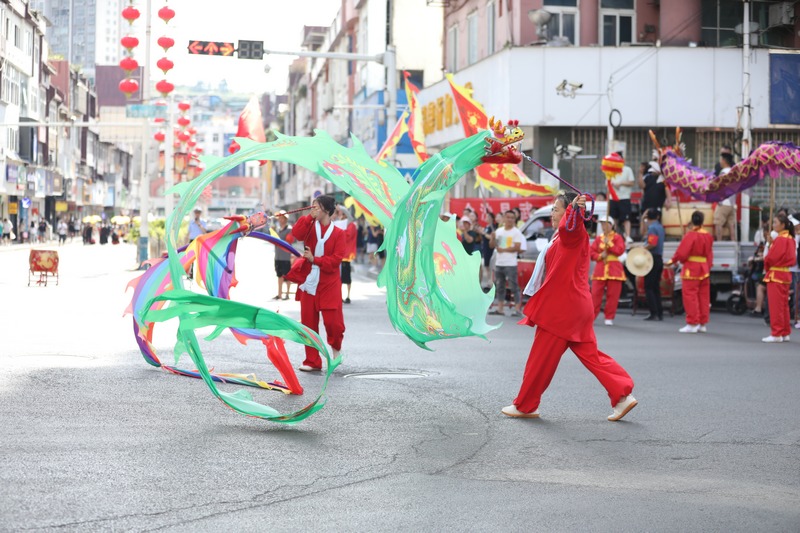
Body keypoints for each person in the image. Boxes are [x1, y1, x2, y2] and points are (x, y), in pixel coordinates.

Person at [503, 191, 637, 421]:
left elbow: (570, 228)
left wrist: (575, 210)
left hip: (561, 310)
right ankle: (622, 396)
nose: (552, 213)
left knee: (540, 360)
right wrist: (573, 211)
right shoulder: (563, 236)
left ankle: (526, 405)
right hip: (575, 306)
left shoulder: (572, 233)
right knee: (592, 356)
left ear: (568, 213)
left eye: (556, 209)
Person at [291, 194, 346, 370]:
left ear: (327, 210)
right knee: (308, 322)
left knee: (333, 322)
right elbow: (296, 234)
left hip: (329, 281)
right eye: (312, 205)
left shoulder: (339, 233)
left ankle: (336, 348)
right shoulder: (309, 226)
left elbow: (336, 260)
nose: (313, 208)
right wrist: (308, 217)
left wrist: (316, 259)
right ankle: (312, 361)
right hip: (309, 280)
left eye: (317, 206)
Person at [667, 211, 713, 333]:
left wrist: (673, 260)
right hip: (704, 268)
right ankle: (702, 323)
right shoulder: (708, 235)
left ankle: (692, 323)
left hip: (691, 268)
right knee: (703, 296)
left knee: (690, 296)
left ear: (692, 221)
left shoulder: (691, 235)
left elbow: (682, 253)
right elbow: (709, 254)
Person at [762, 213, 797, 343]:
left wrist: (767, 255)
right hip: (785, 274)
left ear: (783, 225)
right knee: (783, 306)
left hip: (776, 274)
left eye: (775, 223)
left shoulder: (781, 239)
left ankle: (776, 333)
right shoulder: (790, 239)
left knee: (776, 306)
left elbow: (771, 258)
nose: (773, 225)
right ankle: (784, 332)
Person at [489, 210, 526, 317]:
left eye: (512, 218)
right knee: (499, 286)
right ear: (504, 218)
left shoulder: (516, 232)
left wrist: (503, 250)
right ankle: (500, 309)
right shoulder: (499, 231)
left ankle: (517, 309)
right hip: (499, 263)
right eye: (508, 217)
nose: (509, 219)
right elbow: (492, 245)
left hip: (510, 263)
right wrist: (492, 237)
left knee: (513, 286)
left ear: (514, 220)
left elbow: (517, 247)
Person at [590, 216, 626, 326]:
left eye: (606, 224)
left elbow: (620, 250)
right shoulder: (598, 239)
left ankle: (609, 316)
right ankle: (591, 316)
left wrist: (609, 244)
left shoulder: (617, 237)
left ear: (612, 225)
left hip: (614, 268)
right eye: (602, 224)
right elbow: (591, 253)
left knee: (613, 294)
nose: (604, 226)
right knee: (595, 294)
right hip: (600, 268)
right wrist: (600, 255)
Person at [641, 207, 665, 321]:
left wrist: (641, 249)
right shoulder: (660, 227)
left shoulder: (652, 228)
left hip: (652, 259)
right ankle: (659, 312)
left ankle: (653, 312)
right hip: (659, 258)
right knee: (656, 287)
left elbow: (652, 243)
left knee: (649, 286)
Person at [638, 161, 672, 235]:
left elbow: (667, 190)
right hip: (646, 206)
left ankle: (656, 237)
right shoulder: (647, 177)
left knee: (656, 224)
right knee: (645, 221)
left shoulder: (663, 179)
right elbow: (642, 186)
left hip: (657, 206)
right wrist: (640, 174)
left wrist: (669, 200)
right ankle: (645, 236)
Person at [608, 151, 635, 241]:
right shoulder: (610, 170)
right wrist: (613, 184)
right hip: (613, 198)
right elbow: (607, 183)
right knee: (613, 218)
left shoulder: (627, 169)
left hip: (624, 197)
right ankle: (614, 235)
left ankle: (627, 236)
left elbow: (631, 182)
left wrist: (621, 183)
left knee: (626, 218)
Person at [334, 205, 358, 304]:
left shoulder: (351, 225)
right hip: (339, 254)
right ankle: (339, 296)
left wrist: (339, 232)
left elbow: (347, 236)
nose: (340, 216)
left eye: (341, 214)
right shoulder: (339, 224)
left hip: (346, 255)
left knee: (346, 277)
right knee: (338, 278)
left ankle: (348, 296)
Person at [714, 153, 737, 241]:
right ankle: (733, 243)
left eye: (721, 159)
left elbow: (720, 186)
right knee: (731, 225)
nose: (720, 162)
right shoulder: (733, 172)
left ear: (724, 161)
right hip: (732, 203)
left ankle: (719, 244)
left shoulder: (723, 172)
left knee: (718, 223)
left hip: (723, 202)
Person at [272, 211, 293, 301]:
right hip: (278, 256)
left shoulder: (289, 229)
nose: (280, 220)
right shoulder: (277, 229)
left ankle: (287, 294)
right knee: (279, 275)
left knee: (287, 275)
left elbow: (291, 240)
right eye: (279, 218)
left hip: (286, 256)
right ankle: (279, 294)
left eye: (282, 218)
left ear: (285, 219)